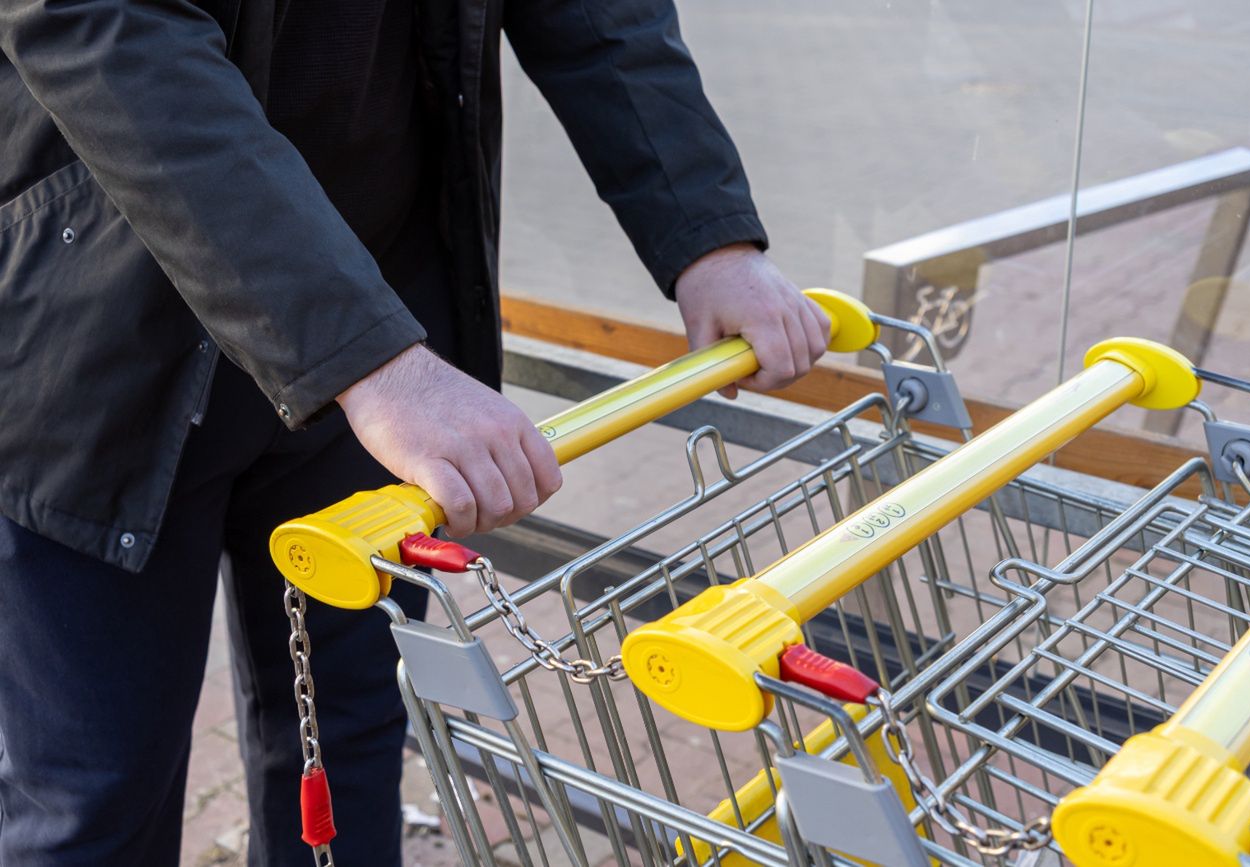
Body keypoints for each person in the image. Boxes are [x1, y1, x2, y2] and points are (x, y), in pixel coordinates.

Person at [0, 0, 829, 864]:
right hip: (100, 350)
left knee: (347, 735)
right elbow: (106, 28)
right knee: (95, 797)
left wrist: (708, 234)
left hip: (375, 310)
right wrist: (369, 358)